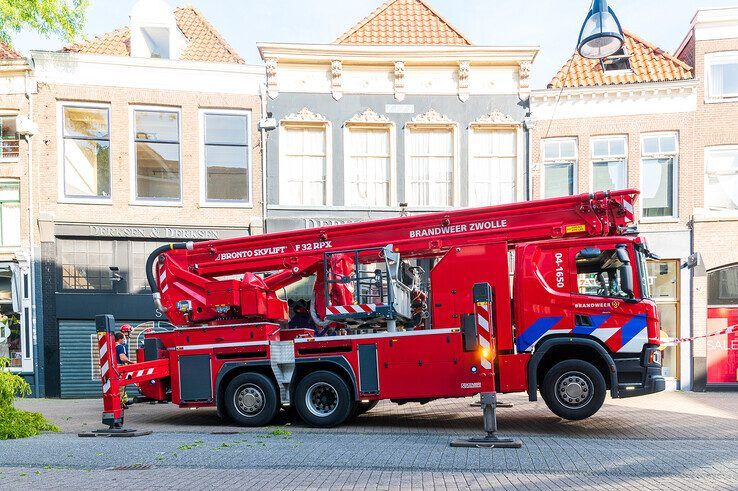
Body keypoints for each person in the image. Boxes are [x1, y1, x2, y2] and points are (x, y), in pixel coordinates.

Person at [115, 332, 131, 408]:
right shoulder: (121, 347)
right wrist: (131, 362)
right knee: (121, 387)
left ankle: (120, 402)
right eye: (123, 339)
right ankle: (119, 404)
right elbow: (122, 358)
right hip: (120, 369)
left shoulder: (110, 347)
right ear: (120, 339)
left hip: (112, 369)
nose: (124, 340)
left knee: (115, 387)